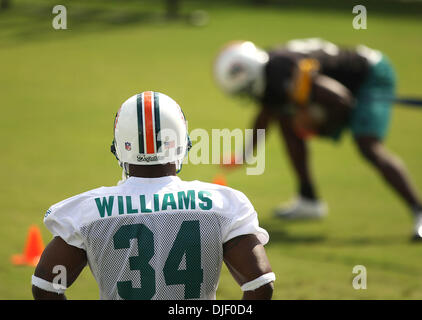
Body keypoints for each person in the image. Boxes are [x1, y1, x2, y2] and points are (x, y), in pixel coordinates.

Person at [32, 91, 275, 300]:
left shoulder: (87, 213)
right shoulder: (223, 205)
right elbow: (260, 282)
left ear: (119, 147)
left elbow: (45, 286)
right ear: (182, 143)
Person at [214, 38, 422, 240]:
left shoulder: (283, 72)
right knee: (287, 122)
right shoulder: (270, 72)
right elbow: (267, 113)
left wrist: (315, 124)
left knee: (368, 145)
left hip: (370, 75)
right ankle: (308, 199)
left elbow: (342, 101)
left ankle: (418, 210)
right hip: (344, 89)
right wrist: (245, 154)